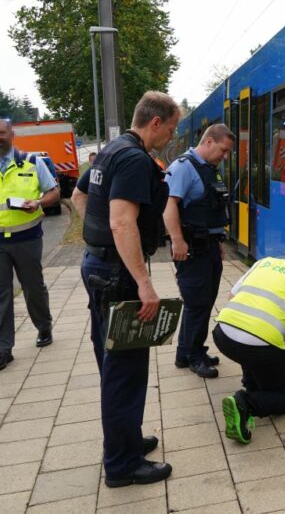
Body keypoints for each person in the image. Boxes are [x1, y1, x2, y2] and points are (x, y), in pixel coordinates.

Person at [71, 91, 179, 487]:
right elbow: (121, 223)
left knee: (111, 362)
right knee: (125, 371)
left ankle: (126, 441)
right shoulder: (134, 159)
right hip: (118, 277)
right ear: (155, 122)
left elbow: (80, 195)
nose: (171, 134)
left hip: (97, 266)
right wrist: (144, 283)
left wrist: (96, 238)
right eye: (171, 127)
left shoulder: (111, 151)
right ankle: (122, 465)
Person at [212, 233, 285, 443]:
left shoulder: (264, 263)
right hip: (258, 348)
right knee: (284, 400)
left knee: (253, 347)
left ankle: (251, 385)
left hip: (223, 335)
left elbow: (231, 297)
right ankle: (244, 403)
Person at [163, 123, 234, 379]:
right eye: (223, 150)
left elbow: (210, 210)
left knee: (204, 303)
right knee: (197, 304)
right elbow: (169, 205)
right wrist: (177, 240)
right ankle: (193, 356)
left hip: (209, 248)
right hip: (191, 250)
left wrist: (218, 243)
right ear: (209, 142)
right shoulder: (184, 168)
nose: (224, 156)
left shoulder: (208, 170)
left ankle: (188, 352)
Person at [0, 119, 59, 370]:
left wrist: (37, 203)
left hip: (27, 237)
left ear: (11, 134)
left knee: (32, 288)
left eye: (1, 133)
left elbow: (54, 193)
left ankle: (43, 327)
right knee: (1, 295)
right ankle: (4, 349)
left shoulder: (32, 163)